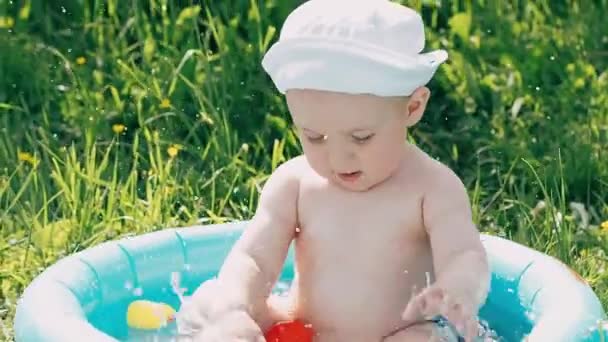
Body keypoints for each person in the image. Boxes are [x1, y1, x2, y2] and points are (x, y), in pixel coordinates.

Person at [176, 0, 491, 341]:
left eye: (362, 137)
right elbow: (254, 258)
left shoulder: (431, 188)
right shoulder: (296, 184)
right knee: (214, 311)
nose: (339, 160)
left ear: (412, 107)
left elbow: (464, 253)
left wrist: (457, 290)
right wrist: (236, 306)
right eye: (315, 137)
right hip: (300, 328)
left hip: (396, 333)